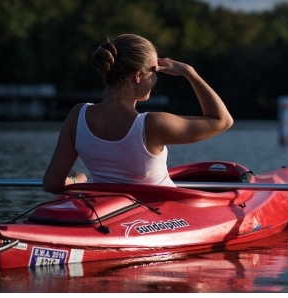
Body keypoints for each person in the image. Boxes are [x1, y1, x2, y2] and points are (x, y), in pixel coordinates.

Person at [43, 34, 234, 193]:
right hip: (160, 218)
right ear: (138, 76)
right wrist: (189, 72)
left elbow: (52, 183)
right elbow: (223, 120)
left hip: (111, 214)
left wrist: (78, 182)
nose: (157, 77)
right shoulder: (152, 124)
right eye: (155, 70)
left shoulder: (78, 116)